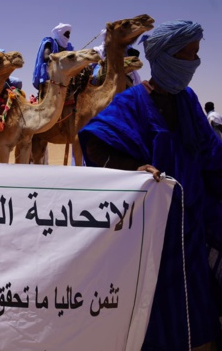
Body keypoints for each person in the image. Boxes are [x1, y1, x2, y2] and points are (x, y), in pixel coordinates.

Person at [79, 20, 222, 350]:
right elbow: (97, 143)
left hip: (191, 230)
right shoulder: (131, 103)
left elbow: (210, 154)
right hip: (154, 236)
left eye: (196, 55)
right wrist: (135, 169)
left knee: (200, 316)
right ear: (165, 56)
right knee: (155, 319)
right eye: (186, 55)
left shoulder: (188, 100)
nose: (193, 64)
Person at [32, 23, 74, 90]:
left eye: (69, 34)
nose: (68, 36)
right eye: (66, 34)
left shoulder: (69, 47)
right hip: (50, 75)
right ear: (60, 33)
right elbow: (46, 57)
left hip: (64, 77)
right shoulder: (50, 43)